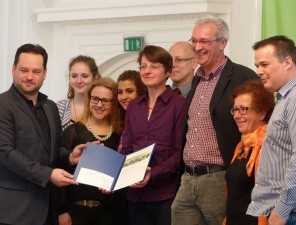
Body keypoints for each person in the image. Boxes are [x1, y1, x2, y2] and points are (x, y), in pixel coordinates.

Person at [171, 16, 258, 225]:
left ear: (222, 43)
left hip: (220, 179)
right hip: (187, 179)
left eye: (204, 41)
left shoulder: (242, 77)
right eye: (194, 41)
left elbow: (257, 130)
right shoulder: (196, 79)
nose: (197, 47)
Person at [0, 43, 84, 225]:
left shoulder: (50, 106)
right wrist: (48, 174)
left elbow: (53, 150)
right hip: (14, 212)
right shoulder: (3, 105)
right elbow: (5, 152)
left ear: (44, 74)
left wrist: (70, 157)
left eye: (36, 71)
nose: (30, 77)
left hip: (48, 209)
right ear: (13, 69)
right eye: (24, 70)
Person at [120, 45, 187, 225]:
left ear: (167, 72)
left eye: (154, 66)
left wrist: (153, 173)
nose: (147, 71)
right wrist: (115, 175)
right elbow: (126, 146)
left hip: (165, 194)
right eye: (143, 66)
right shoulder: (134, 106)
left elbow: (179, 152)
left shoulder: (179, 104)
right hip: (135, 195)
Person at [247, 36, 296, 225]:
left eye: (264, 64)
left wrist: (282, 211)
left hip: (292, 213)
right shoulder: (286, 97)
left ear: (287, 62)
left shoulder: (295, 99)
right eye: (257, 66)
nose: (259, 72)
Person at [59, 77, 126, 225]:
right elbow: (59, 170)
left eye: (106, 100)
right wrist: (61, 211)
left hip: (109, 213)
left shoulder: (121, 134)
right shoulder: (73, 131)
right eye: (95, 99)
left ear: (114, 104)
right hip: (76, 212)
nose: (99, 105)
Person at [223, 80, 274, 225]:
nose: (237, 115)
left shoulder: (269, 146)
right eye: (235, 109)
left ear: (262, 113)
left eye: (244, 109)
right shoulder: (242, 146)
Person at [57, 55, 101, 130]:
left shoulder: (102, 107)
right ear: (69, 78)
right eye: (74, 76)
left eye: (84, 76)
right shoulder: (57, 107)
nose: (79, 81)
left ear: (95, 77)